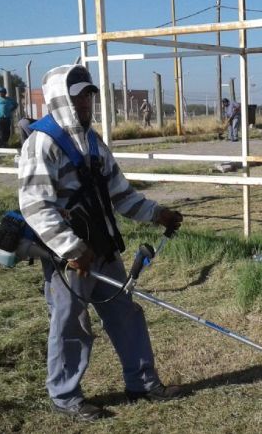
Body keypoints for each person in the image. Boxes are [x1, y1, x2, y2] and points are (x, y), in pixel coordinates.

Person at [18, 64, 185, 421]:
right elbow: (35, 205)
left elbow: (120, 194)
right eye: (78, 97)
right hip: (71, 259)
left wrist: (158, 214)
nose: (86, 103)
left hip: (103, 247)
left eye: (89, 96)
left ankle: (142, 383)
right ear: (60, 99)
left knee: (126, 315)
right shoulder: (42, 143)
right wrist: (71, 249)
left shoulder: (93, 141)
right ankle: (65, 397)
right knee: (71, 325)